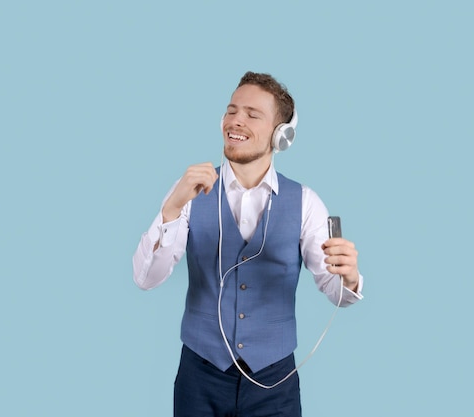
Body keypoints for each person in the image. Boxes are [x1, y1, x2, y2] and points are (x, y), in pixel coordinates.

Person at [132, 71, 364, 417]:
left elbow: (337, 294)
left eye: (252, 114)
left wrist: (349, 277)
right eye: (231, 110)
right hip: (200, 375)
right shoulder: (187, 193)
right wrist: (171, 209)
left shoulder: (306, 203)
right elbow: (146, 279)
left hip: (274, 381)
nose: (236, 120)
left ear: (281, 135)